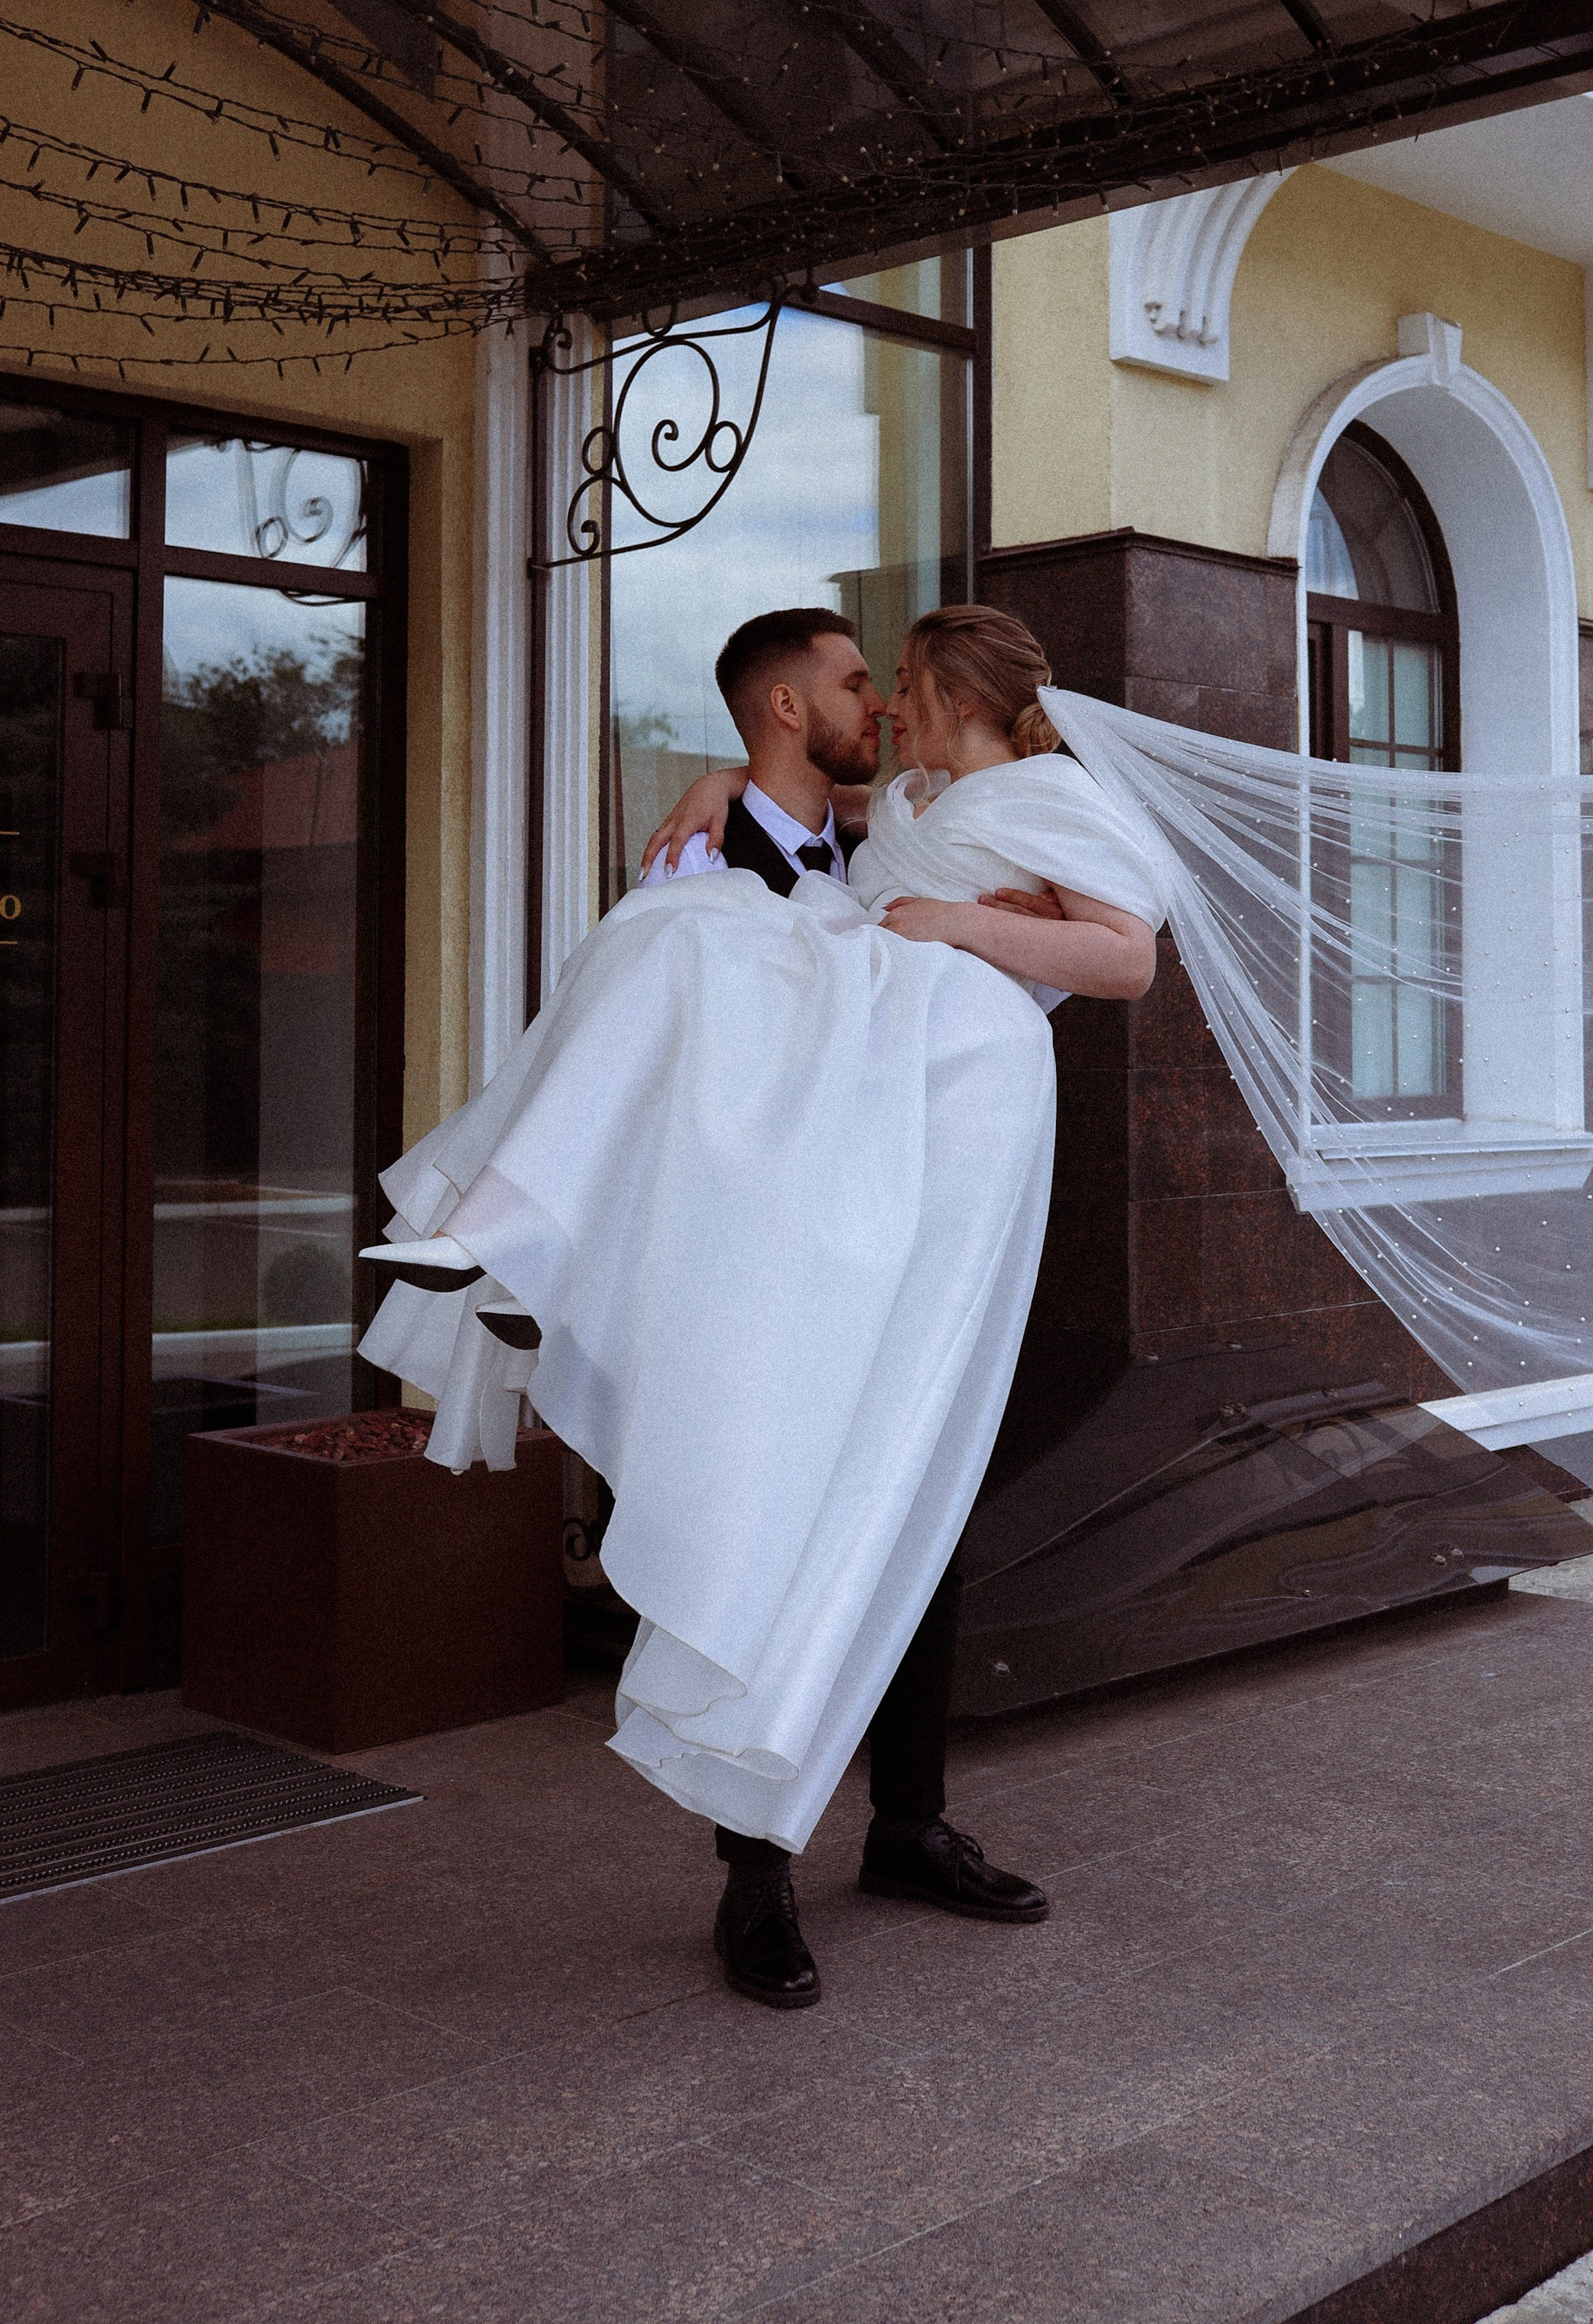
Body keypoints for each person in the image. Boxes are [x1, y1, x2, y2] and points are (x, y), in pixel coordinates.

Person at [359, 601, 1165, 2013]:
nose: (884, 706)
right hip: (768, 1234)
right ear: (792, 710)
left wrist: (962, 919)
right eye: (864, 685)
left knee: (917, 1495)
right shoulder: (727, 856)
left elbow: (1105, 946)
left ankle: (908, 1823)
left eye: (896, 684)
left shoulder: (933, 819)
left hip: (924, 1181)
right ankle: (757, 1876)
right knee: (763, 1502)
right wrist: (725, 786)